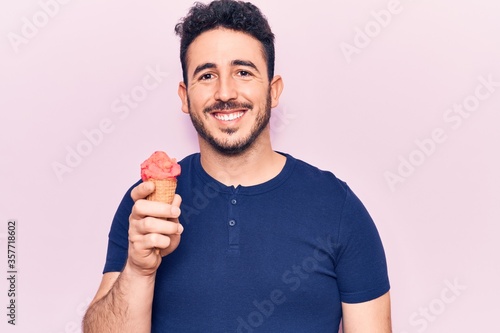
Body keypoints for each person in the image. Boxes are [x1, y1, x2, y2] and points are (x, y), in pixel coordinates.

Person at [82, 0, 391, 332]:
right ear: (185, 97)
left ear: (273, 91)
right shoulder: (145, 207)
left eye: (243, 72)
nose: (225, 92)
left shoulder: (337, 207)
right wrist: (139, 270)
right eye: (207, 75)